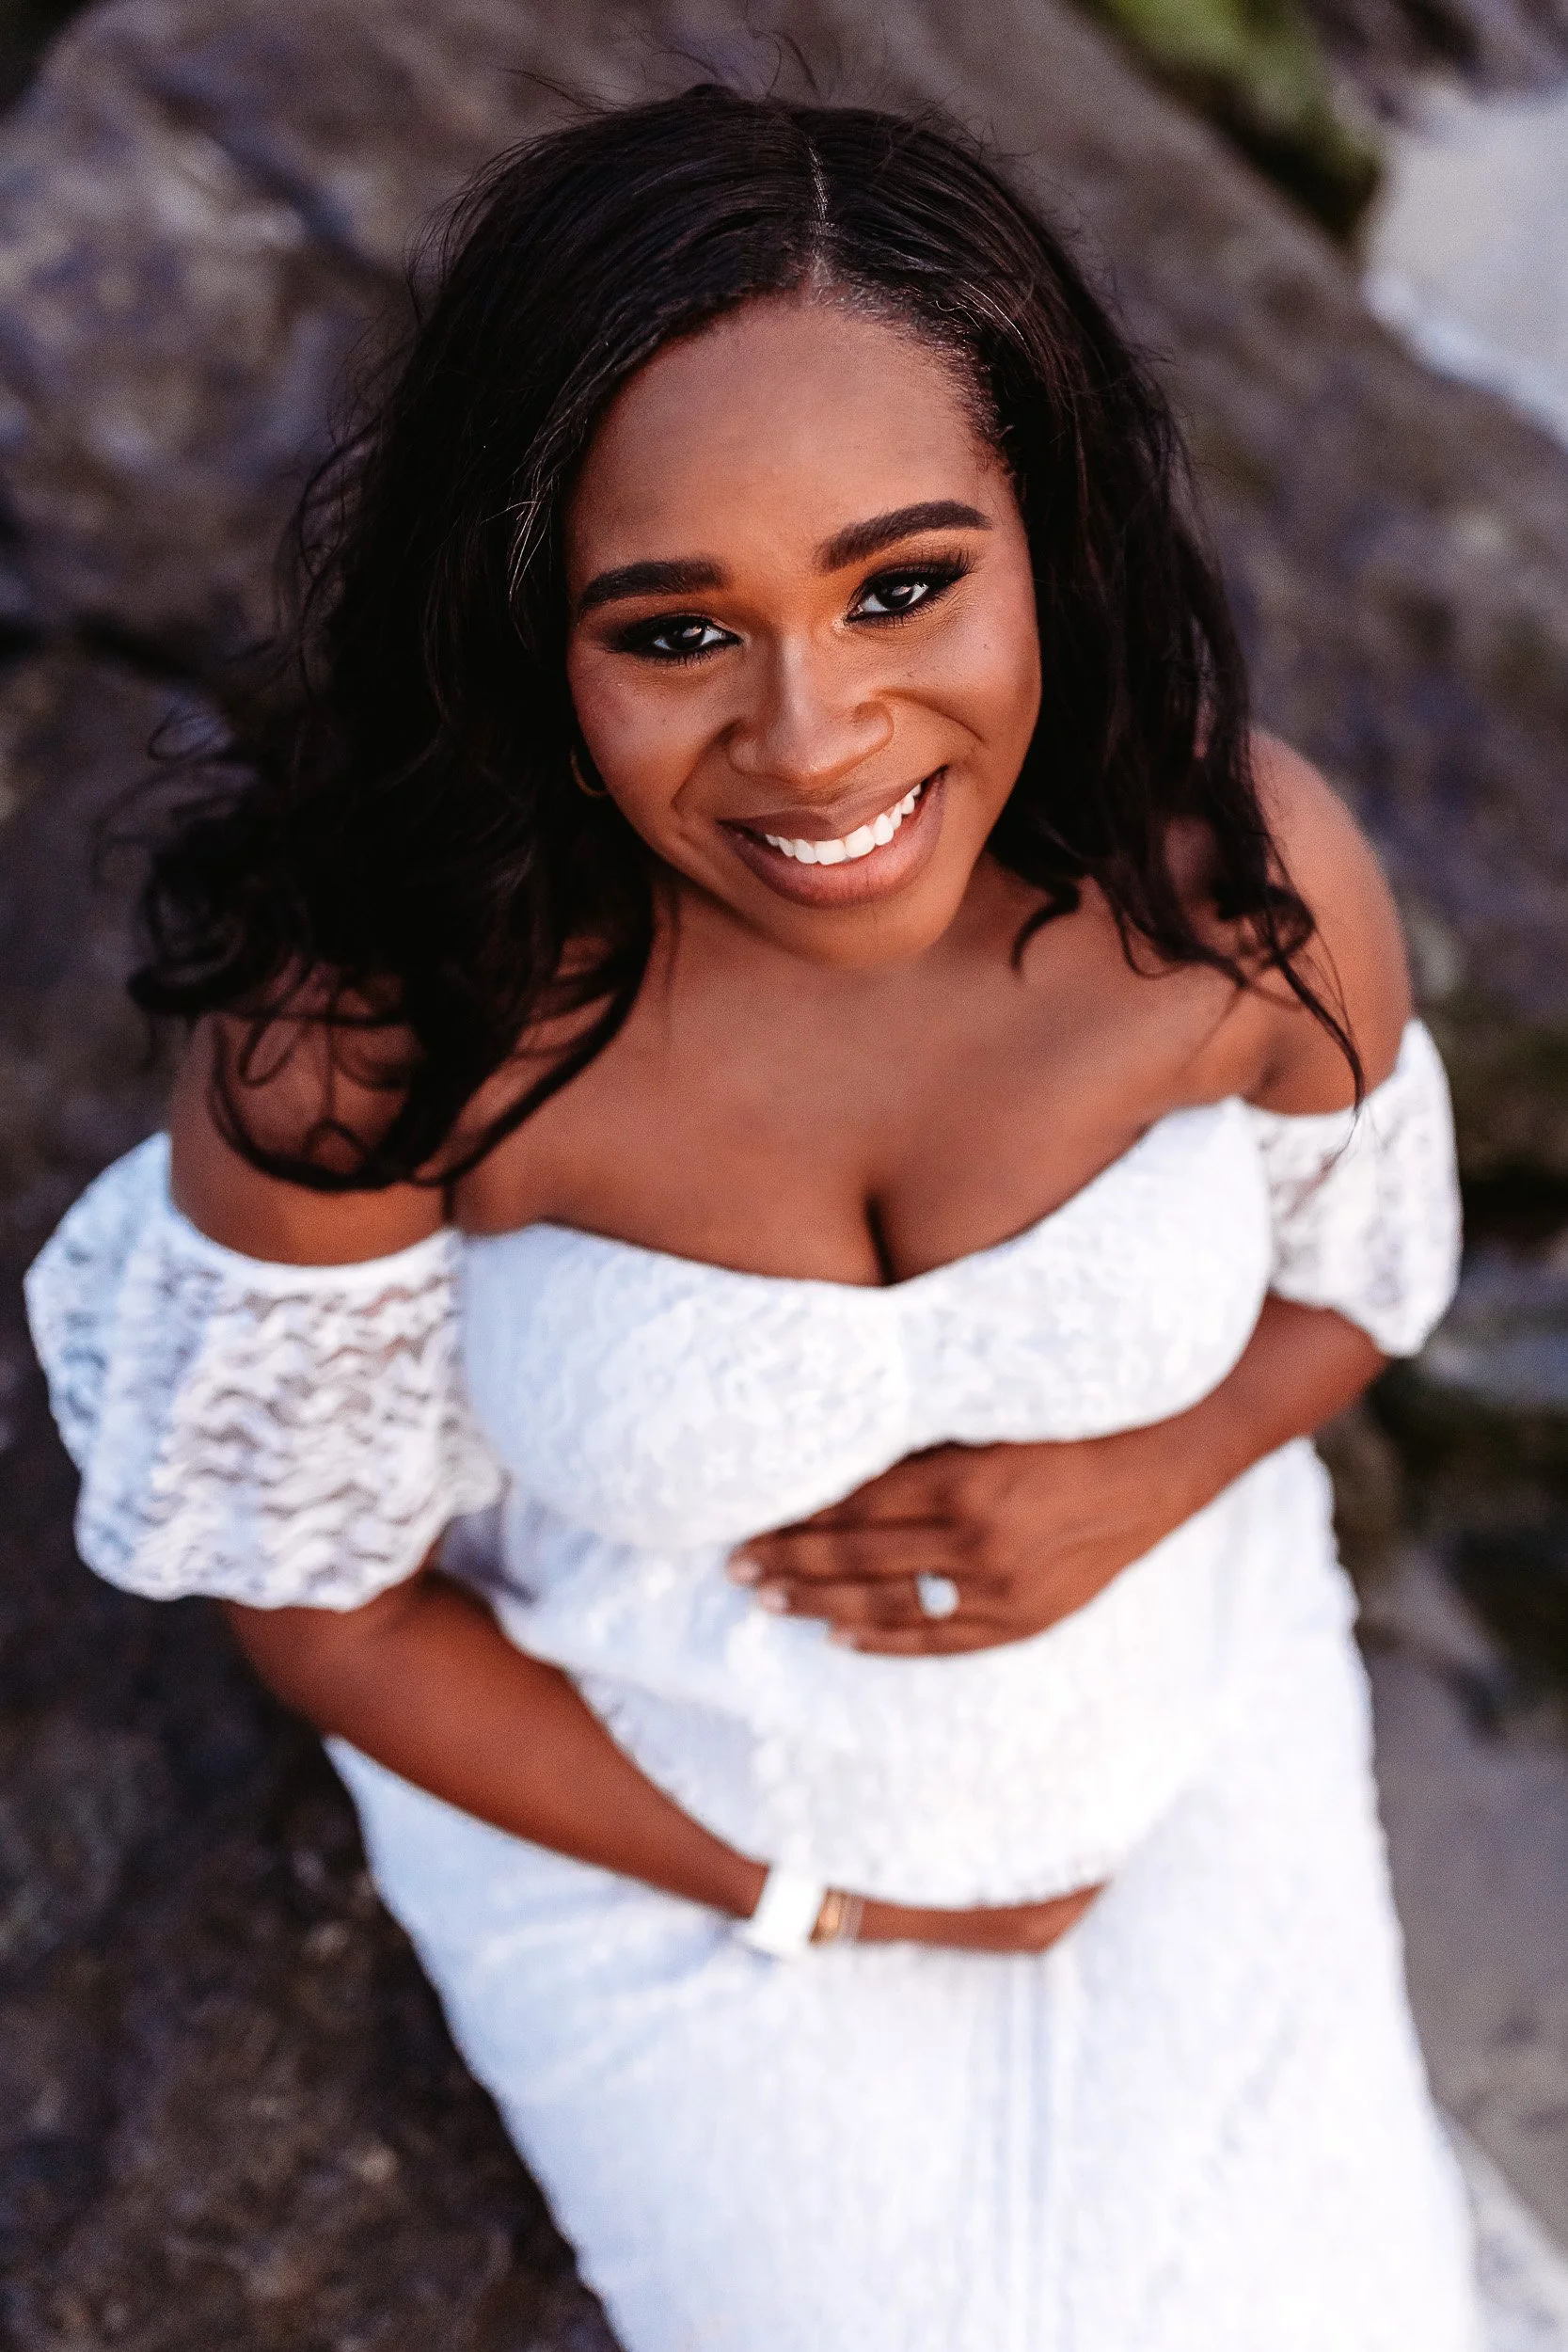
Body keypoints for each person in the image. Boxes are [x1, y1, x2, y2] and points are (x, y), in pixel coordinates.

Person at [25, 87, 1480, 2352]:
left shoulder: (1222, 882)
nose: (814, 737)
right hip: (668, 1862)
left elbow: (1359, 1283)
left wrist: (1142, 1478)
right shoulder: (393, 1028)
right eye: (674, 629)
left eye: (902, 583)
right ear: (534, 630)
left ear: (1045, 532)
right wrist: (817, 1896)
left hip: (1196, 1724)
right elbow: (315, 1603)